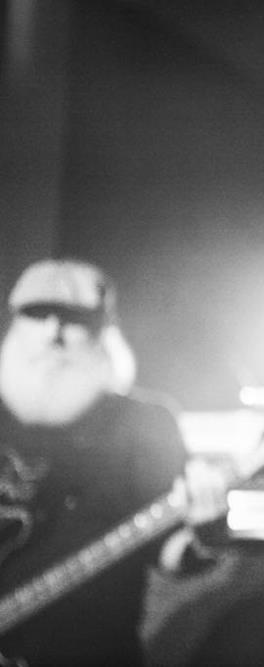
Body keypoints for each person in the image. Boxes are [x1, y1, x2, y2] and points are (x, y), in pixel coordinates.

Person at [0, 258, 218, 665]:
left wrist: (208, 536)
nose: (52, 333)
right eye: (37, 314)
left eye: (72, 319)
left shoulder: (145, 423)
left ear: (103, 331)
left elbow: (171, 550)